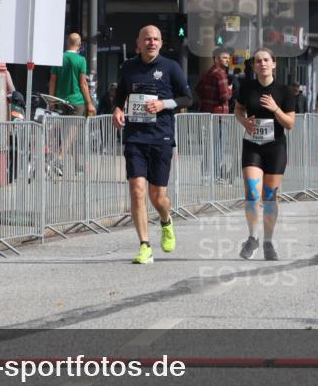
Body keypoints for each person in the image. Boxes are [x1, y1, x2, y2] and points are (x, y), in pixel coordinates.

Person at [111, 25, 192, 264]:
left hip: (161, 137)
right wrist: (117, 110)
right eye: (147, 39)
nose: (152, 43)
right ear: (139, 42)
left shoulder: (171, 67)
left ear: (161, 43)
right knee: (137, 191)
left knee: (158, 197)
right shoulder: (128, 67)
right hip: (135, 137)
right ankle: (145, 245)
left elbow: (188, 98)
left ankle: (166, 221)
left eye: (156, 39)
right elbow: (120, 95)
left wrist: (163, 104)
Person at [235, 48, 296, 261]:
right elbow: (238, 109)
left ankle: (268, 241)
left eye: (266, 60)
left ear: (274, 63)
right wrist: (244, 121)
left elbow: (290, 123)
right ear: (254, 66)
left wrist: (275, 108)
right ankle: (253, 238)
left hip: (275, 147)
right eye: (258, 61)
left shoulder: (284, 91)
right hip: (252, 145)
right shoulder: (247, 87)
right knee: (252, 193)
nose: (262, 64)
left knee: (270, 197)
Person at [196, 48, 233, 181]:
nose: (227, 60)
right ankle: (215, 175)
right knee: (219, 146)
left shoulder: (207, 73)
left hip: (207, 114)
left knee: (209, 145)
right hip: (220, 116)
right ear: (216, 59)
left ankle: (205, 174)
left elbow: (197, 89)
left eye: (228, 58)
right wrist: (229, 90)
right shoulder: (221, 74)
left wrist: (206, 99)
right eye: (224, 58)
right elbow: (224, 96)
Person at [50, 33, 95, 117]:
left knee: (61, 125)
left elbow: (52, 81)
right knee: (74, 125)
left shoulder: (58, 58)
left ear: (67, 42)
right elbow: (83, 84)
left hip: (60, 101)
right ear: (80, 44)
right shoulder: (81, 60)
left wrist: (51, 101)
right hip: (77, 102)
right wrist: (89, 103)